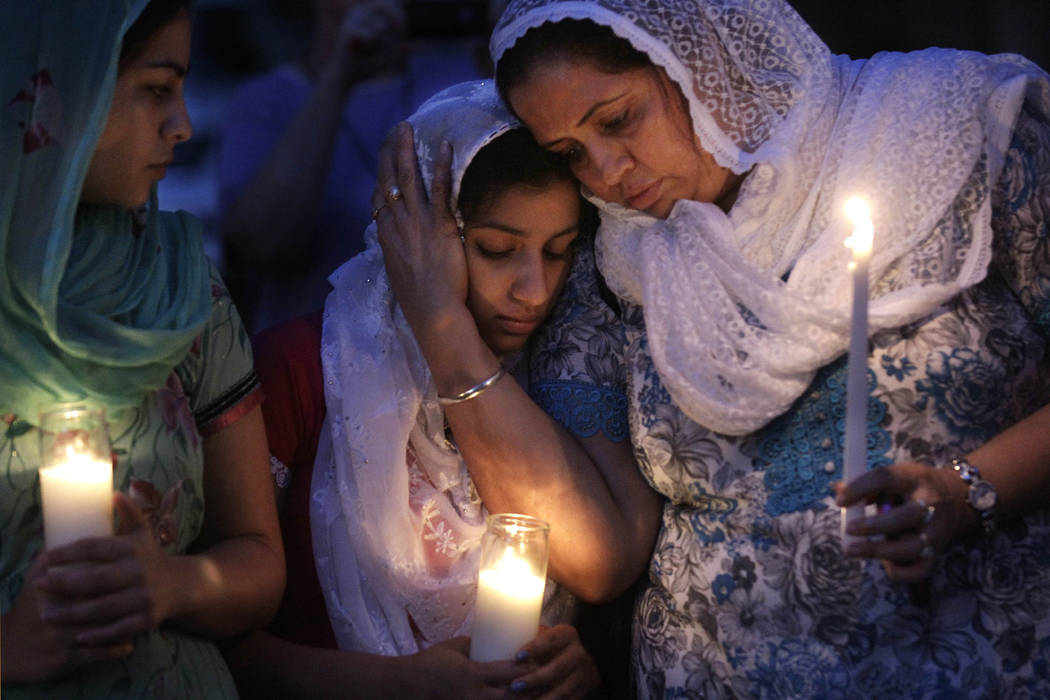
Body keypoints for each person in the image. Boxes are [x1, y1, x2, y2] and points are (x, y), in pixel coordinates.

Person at [493, 0, 1050, 696]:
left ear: (701, 56)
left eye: (617, 119)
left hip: (982, 661)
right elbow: (595, 542)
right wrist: (444, 335)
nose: (605, 173)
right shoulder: (614, 259)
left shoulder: (944, 130)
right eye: (569, 154)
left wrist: (964, 491)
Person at [222, 80, 648, 698]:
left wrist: (571, 670)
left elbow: (595, 582)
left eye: (558, 252)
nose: (534, 289)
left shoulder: (553, 376)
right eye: (497, 250)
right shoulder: (302, 370)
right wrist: (401, 686)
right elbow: (222, 650)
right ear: (415, 235)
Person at [0, 1, 284, 697]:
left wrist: (174, 584)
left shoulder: (179, 291)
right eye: (156, 88)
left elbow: (258, 561)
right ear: (54, 85)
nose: (182, 125)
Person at [216, 0, 486, 332]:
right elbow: (261, 247)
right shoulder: (264, 102)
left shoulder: (461, 77)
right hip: (308, 360)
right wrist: (339, 76)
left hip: (437, 352)